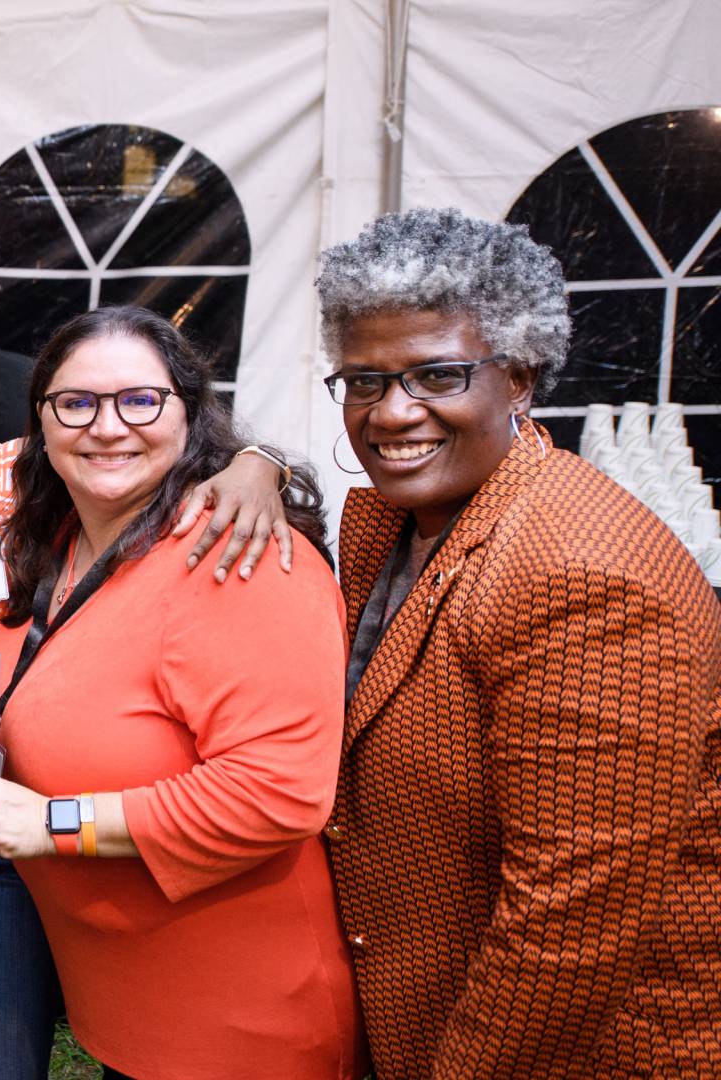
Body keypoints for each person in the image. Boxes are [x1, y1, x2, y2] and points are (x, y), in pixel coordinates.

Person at [0, 292, 296, 1079]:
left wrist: (261, 463)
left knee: (0, 1047)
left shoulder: (23, 472)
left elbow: (148, 453)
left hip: (6, 788)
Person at [314, 207, 721, 1076]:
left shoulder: (584, 572)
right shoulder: (388, 517)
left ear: (524, 378)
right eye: (363, 381)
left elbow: (572, 923)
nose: (391, 414)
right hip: (422, 998)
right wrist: (258, 464)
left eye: (437, 375)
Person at [0, 305, 364, 1079]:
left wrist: (49, 822)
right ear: (41, 424)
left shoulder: (241, 556)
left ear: (191, 415)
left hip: (239, 1018)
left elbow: (279, 795)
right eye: (77, 403)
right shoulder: (56, 541)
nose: (107, 426)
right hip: (127, 995)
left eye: (141, 400)